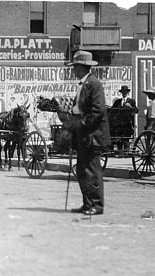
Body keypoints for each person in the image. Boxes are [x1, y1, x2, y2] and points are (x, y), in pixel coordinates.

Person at [67, 50, 110, 216]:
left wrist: (83, 123)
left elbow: (98, 110)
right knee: (82, 170)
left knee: (92, 170)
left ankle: (97, 206)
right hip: (83, 134)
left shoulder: (94, 83)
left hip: (92, 134)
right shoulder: (83, 84)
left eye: (75, 67)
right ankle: (87, 203)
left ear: (82, 67)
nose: (73, 70)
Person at [111, 85, 138, 150]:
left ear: (127, 92)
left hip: (127, 123)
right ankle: (120, 151)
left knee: (126, 138)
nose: (124, 93)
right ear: (121, 93)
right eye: (123, 92)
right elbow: (112, 110)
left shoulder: (131, 101)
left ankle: (126, 151)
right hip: (119, 124)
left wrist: (131, 107)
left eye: (125, 92)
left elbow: (136, 110)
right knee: (119, 137)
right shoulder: (117, 102)